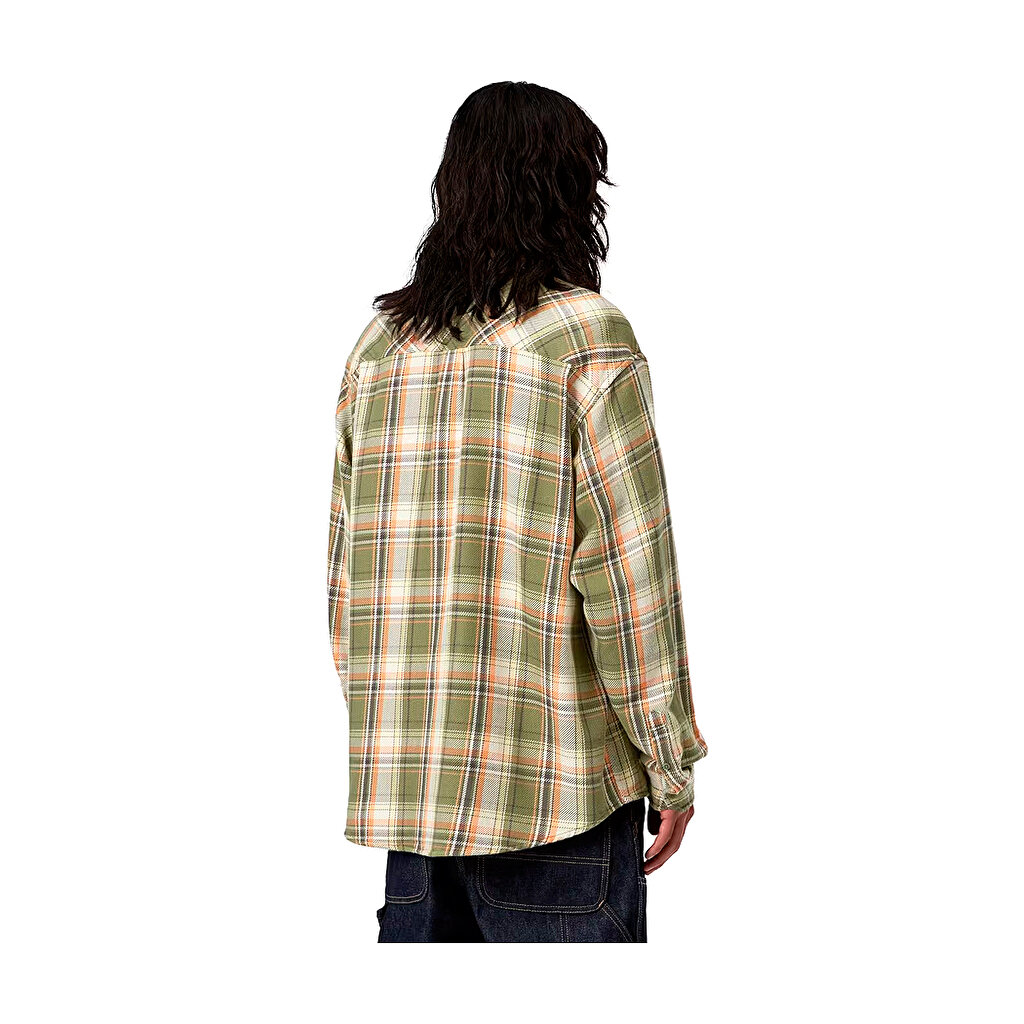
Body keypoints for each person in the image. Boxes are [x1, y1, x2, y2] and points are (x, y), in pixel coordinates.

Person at [327, 81, 707, 943]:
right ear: (570, 194)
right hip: (555, 801)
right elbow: (631, 580)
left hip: (411, 813)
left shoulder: (379, 350)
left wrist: (402, 734)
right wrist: (670, 763)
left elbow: (347, 589)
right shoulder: (586, 339)